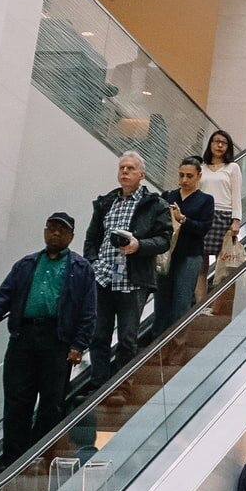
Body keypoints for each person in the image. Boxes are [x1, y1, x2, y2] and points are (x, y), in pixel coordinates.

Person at [0, 213, 99, 463]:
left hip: (57, 341)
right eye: (51, 228)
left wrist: (79, 345)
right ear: (44, 231)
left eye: (62, 231)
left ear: (71, 237)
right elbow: (3, 297)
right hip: (23, 338)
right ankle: (12, 460)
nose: (55, 234)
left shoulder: (81, 269)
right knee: (17, 400)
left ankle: (38, 456)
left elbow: (88, 311)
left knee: (52, 403)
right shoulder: (26, 265)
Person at [84, 151, 172, 389]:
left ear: (141, 175)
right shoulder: (106, 203)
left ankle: (121, 387)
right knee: (98, 335)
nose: (124, 172)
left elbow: (164, 239)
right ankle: (98, 385)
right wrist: (93, 263)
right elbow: (91, 239)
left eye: (130, 168)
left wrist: (139, 245)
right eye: (122, 168)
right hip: (102, 278)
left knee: (127, 338)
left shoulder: (155, 205)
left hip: (133, 280)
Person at [153, 156, 217, 338]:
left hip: (190, 255)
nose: (184, 180)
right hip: (166, 255)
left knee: (181, 304)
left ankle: (176, 347)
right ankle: (156, 348)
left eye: (189, 176)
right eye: (181, 175)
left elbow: (203, 228)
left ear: (199, 176)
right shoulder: (168, 196)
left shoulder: (206, 200)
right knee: (161, 304)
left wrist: (183, 219)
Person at [199, 129, 244, 288]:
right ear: (210, 144)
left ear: (228, 147)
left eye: (223, 143)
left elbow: (236, 194)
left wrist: (236, 221)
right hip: (202, 216)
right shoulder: (201, 167)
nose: (219, 145)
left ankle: (216, 306)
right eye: (216, 141)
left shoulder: (232, 168)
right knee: (200, 265)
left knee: (222, 264)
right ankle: (200, 304)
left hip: (223, 216)